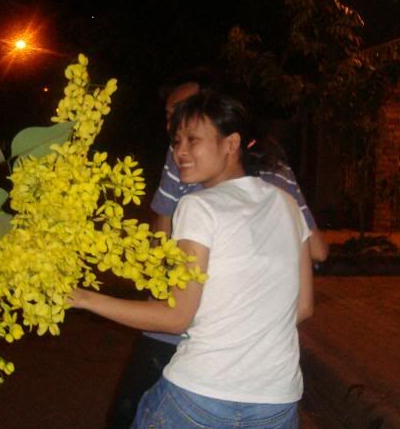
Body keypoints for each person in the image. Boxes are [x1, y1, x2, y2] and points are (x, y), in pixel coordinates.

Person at [72, 91, 313, 428]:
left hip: (199, 398)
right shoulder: (286, 204)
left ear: (231, 144)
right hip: (276, 402)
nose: (179, 152)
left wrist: (84, 298)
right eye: (176, 142)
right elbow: (303, 306)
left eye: (192, 140)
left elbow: (176, 318)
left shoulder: (198, 206)